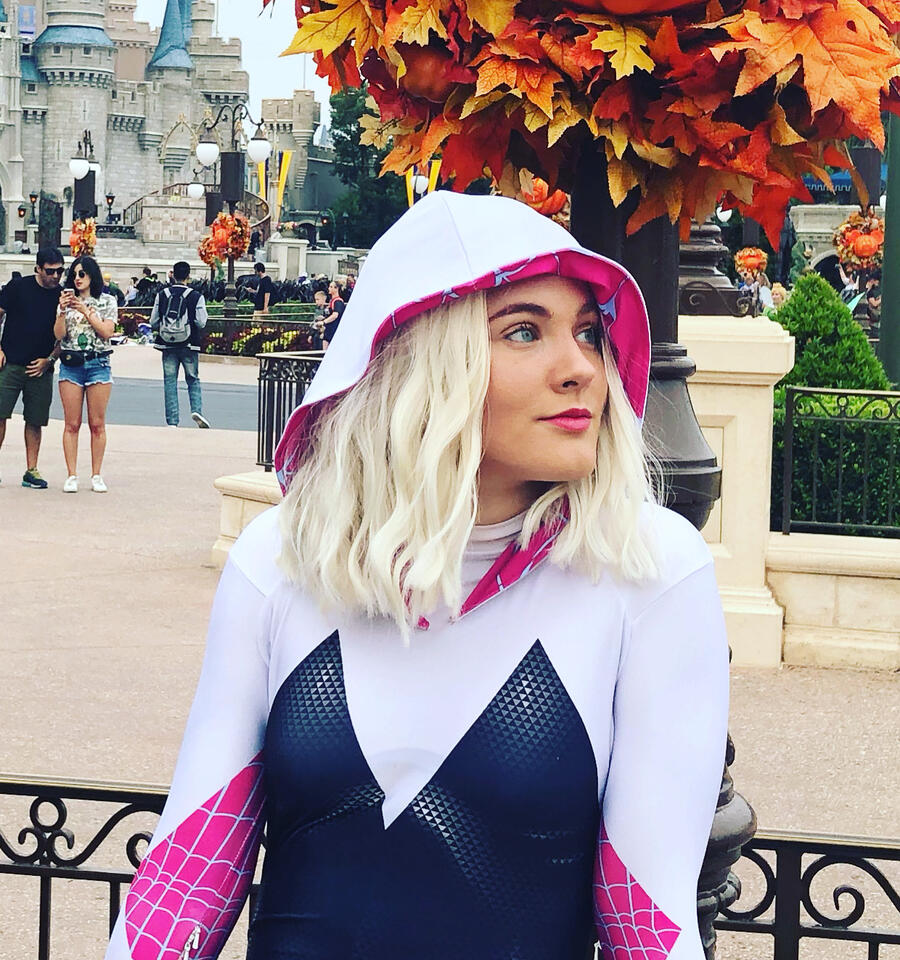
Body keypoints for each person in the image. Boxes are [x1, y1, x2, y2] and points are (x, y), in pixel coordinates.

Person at [105, 192, 727, 960]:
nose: (581, 369)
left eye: (589, 332)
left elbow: (649, 923)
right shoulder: (282, 559)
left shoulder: (648, 569)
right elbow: (185, 882)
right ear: (422, 361)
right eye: (524, 330)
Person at [0, 248, 65, 488]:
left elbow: (65, 337)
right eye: (50, 271)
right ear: (38, 268)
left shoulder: (62, 296)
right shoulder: (18, 287)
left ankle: (31, 470)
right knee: (0, 415)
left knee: (35, 420)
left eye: (60, 271)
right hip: (10, 364)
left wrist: (50, 360)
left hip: (41, 367)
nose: (55, 276)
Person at [54, 255, 118, 493]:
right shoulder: (66, 301)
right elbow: (59, 335)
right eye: (74, 275)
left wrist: (86, 311)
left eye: (82, 274)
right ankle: (71, 474)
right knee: (71, 423)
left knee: (97, 423)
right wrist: (62, 311)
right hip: (71, 363)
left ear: (92, 275)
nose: (78, 279)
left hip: (98, 362)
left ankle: (96, 474)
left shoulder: (107, 300)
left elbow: (107, 332)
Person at [150, 261, 210, 428]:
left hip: (167, 344)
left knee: (170, 381)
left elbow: (153, 321)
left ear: (173, 275)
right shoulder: (196, 296)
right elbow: (201, 322)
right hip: (189, 344)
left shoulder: (162, 294)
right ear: (188, 276)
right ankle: (196, 410)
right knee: (192, 378)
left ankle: (172, 421)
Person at [321, 278, 345, 349]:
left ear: (336, 289)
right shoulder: (332, 301)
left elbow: (335, 315)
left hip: (334, 328)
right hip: (329, 329)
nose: (329, 288)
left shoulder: (338, 302)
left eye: (331, 287)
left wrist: (324, 322)